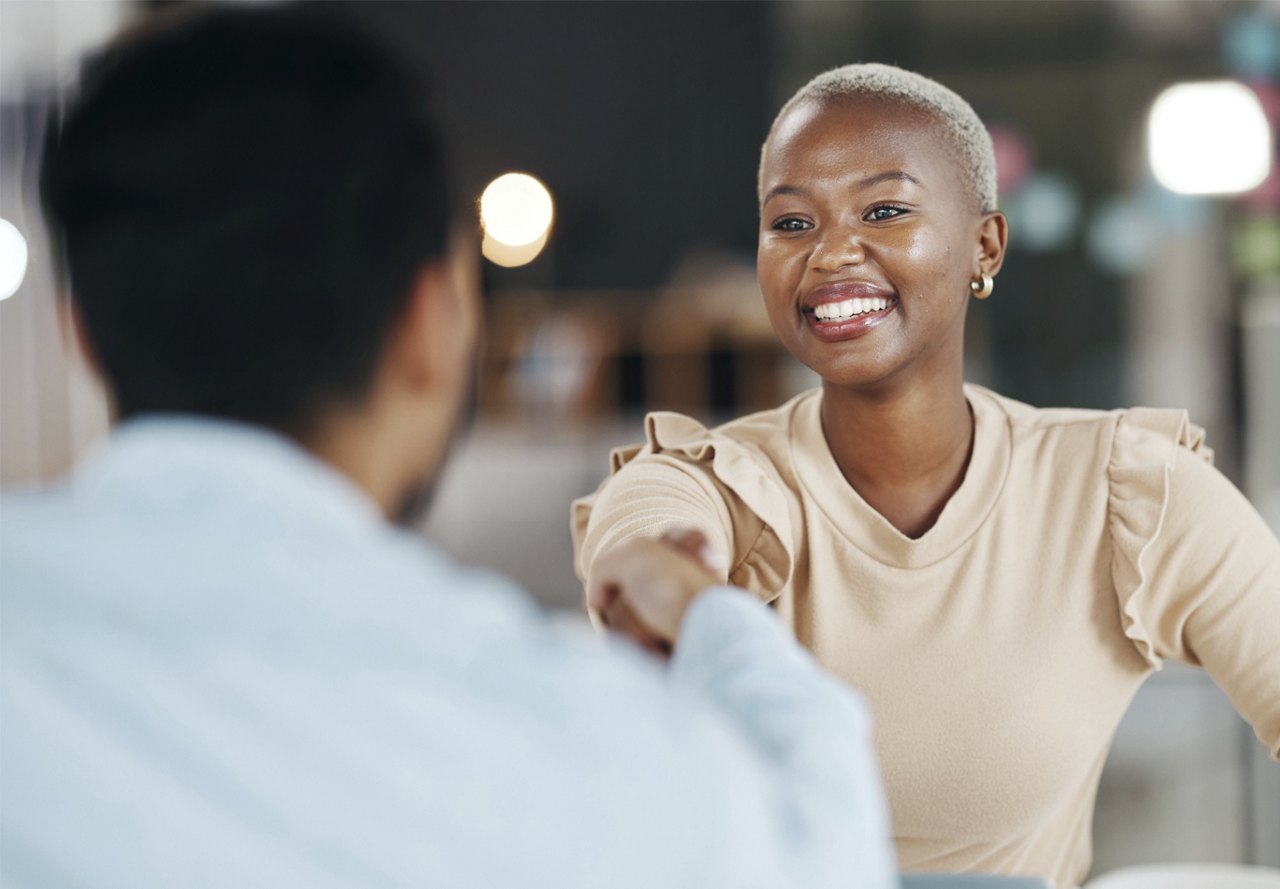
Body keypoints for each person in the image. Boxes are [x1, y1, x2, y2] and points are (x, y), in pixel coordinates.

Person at [0, 9, 898, 888]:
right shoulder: (565, 740)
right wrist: (709, 613)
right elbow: (826, 851)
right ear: (432, 323)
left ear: (80, 332)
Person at [574, 62, 1280, 889]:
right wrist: (661, 578)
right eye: (791, 222)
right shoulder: (719, 484)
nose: (831, 251)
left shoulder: (1124, 492)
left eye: (884, 210)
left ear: (986, 244)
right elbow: (641, 541)